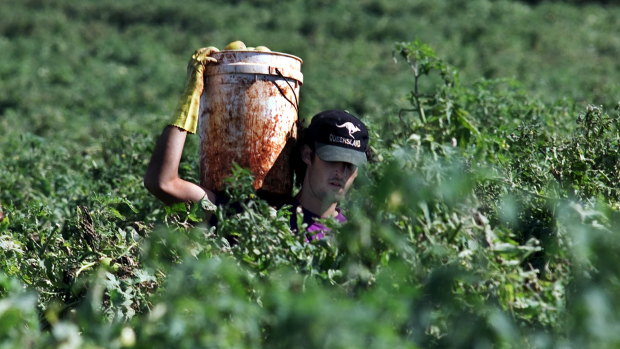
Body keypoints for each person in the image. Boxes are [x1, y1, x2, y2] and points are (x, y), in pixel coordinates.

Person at [144, 47, 369, 240]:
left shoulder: (354, 239)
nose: (341, 171)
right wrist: (191, 99)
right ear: (307, 155)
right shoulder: (251, 217)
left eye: (350, 164)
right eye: (332, 159)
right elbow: (163, 183)